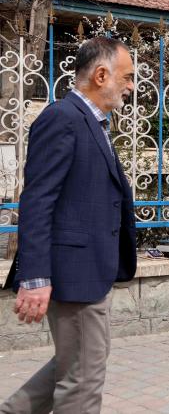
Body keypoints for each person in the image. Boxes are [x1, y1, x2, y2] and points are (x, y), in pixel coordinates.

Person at [0, 37, 137, 414]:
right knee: (82, 382)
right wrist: (35, 277)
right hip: (72, 273)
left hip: (91, 270)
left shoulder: (91, 123)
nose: (131, 87)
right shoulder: (63, 118)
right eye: (127, 78)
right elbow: (38, 200)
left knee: (79, 363)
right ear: (101, 74)